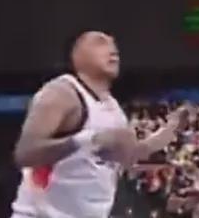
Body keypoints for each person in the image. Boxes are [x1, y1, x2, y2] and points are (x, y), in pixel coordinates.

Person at [10, 31, 189, 218]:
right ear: (77, 56)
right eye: (100, 42)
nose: (113, 50)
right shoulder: (61, 93)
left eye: (114, 45)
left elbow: (130, 155)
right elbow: (25, 154)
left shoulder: (113, 108)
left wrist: (170, 129)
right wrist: (90, 140)